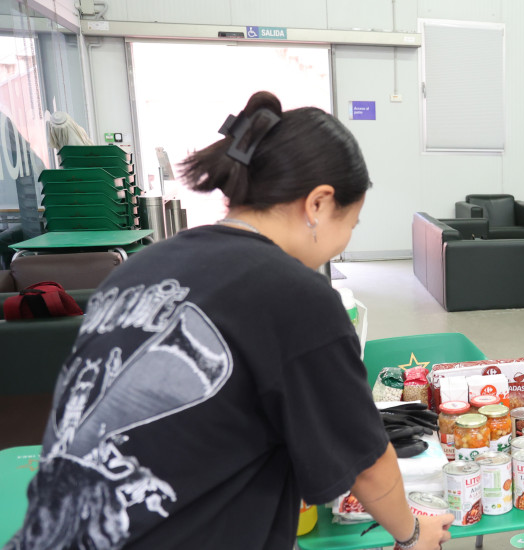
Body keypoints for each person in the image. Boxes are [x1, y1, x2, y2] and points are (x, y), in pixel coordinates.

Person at [4, 92, 452, 550]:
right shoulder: (296, 295)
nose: (345, 240)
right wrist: (412, 535)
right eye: (351, 223)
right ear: (318, 204)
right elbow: (366, 464)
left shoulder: (139, 268)